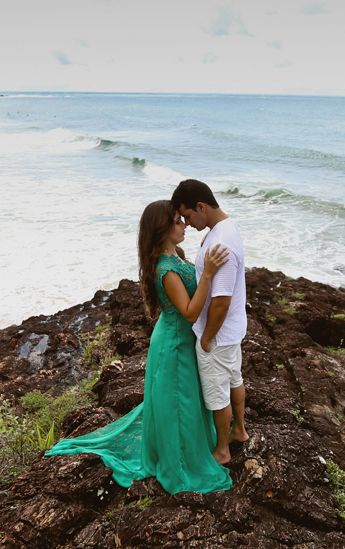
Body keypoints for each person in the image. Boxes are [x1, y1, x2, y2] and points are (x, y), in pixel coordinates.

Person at [45, 200, 232, 495]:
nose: (184, 224)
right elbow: (190, 312)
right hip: (173, 344)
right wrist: (207, 274)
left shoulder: (178, 256)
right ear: (162, 229)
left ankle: (190, 448)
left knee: (184, 400)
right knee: (177, 402)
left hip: (182, 340)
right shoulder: (166, 270)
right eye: (177, 221)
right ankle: (179, 463)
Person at [170, 179, 249, 465]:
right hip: (232, 331)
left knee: (218, 396)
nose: (187, 224)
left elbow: (221, 302)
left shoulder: (220, 243)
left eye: (188, 216)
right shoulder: (224, 228)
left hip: (218, 335)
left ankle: (222, 450)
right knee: (234, 379)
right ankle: (239, 431)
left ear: (201, 207)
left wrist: (206, 337)